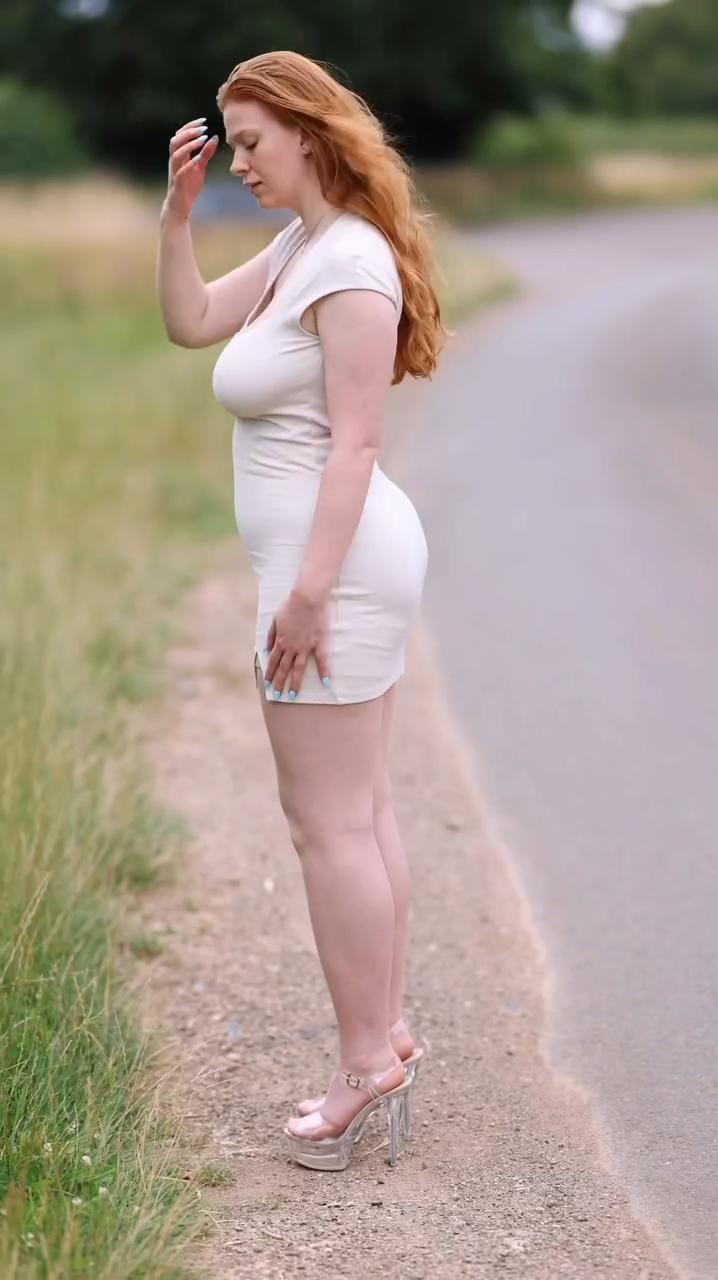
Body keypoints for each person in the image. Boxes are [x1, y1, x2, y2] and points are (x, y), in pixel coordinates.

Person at [157, 50, 447, 1172]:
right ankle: (386, 1032)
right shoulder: (300, 248)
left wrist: (308, 594)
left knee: (326, 825)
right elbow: (191, 322)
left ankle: (365, 1062)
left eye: (250, 142)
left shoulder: (352, 264)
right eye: (230, 144)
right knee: (358, 811)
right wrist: (178, 217)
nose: (239, 162)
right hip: (334, 565)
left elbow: (356, 444)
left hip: (337, 569)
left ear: (309, 133)